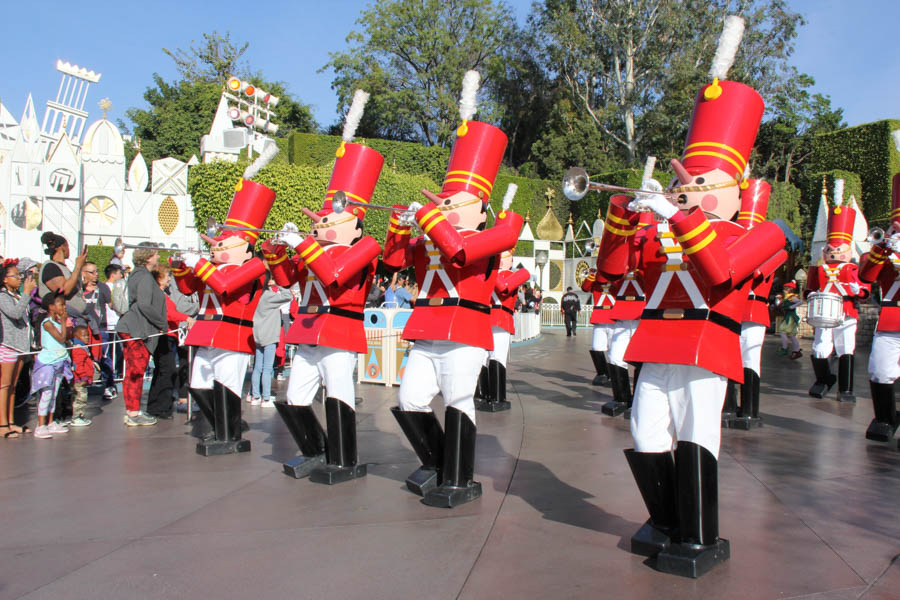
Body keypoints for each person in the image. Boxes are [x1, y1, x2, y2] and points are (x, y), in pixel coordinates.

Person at [597, 20, 786, 576]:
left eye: (706, 184)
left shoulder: (760, 232)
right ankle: (667, 518)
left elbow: (720, 271)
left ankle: (699, 534)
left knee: (698, 435)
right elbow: (612, 272)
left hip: (709, 343)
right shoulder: (667, 228)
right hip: (657, 344)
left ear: (737, 185)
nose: (694, 191)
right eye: (688, 183)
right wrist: (621, 219)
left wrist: (679, 215)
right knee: (646, 433)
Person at [383, 72, 522, 507]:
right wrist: (397, 221)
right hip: (428, 327)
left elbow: (459, 252)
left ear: (482, 210)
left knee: (460, 401)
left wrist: (428, 218)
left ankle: (459, 478)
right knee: (410, 401)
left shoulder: (496, 233)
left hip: (466, 329)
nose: (445, 210)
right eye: (443, 203)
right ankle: (442, 463)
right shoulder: (432, 234)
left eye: (453, 204)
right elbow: (392, 261)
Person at [264, 99, 381, 483]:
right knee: (295, 398)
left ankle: (344, 457)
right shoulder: (312, 248)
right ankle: (316, 450)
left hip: (340, 329)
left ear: (355, 224)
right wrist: (276, 252)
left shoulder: (365, 247)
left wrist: (302, 245)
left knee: (339, 395)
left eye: (332, 216)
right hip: (309, 330)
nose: (323, 221)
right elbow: (286, 281)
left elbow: (333, 276)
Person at [173, 147, 279, 456]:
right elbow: (188, 288)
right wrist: (183, 265)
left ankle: (229, 434)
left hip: (232, 334)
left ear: (246, 246)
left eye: (224, 243)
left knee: (227, 386)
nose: (217, 248)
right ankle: (221, 427)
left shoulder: (255, 266)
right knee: (198, 385)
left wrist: (201, 264)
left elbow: (225, 285)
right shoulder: (212, 266)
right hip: (207, 333)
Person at [804, 180, 869, 402]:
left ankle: (846, 389)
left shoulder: (853, 267)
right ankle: (824, 379)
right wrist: (811, 295)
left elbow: (864, 289)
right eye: (830, 249)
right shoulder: (818, 268)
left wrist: (855, 289)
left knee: (845, 347)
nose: (833, 252)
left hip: (847, 312)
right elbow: (810, 288)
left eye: (838, 249)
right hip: (824, 312)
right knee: (820, 348)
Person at [857, 173, 900, 442]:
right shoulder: (885, 249)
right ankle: (885, 418)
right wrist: (883, 249)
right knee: (880, 370)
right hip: (891, 318)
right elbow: (866, 276)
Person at [115, 244, 165, 427]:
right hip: (137, 330)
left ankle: (132, 410)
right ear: (149, 256)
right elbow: (144, 305)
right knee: (135, 373)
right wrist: (161, 323)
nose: (159, 256)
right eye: (156, 253)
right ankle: (133, 412)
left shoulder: (138, 275)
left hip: (134, 328)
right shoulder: (143, 277)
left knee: (133, 373)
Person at [146, 264, 190, 419]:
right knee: (167, 370)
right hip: (163, 336)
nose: (169, 280)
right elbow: (169, 313)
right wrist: (186, 318)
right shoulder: (158, 295)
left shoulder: (161, 294)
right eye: (167, 277)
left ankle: (156, 406)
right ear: (159, 278)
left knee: (162, 370)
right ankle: (161, 406)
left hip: (169, 336)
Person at [0, 259, 37, 437]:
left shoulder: (15, 295)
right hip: (8, 345)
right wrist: (27, 294)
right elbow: (15, 314)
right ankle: (2, 425)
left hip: (20, 347)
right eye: (15, 276)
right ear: (5, 279)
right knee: (4, 385)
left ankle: (11, 421)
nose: (20, 279)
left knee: (13, 386)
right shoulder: (3, 296)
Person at [30, 293, 73, 439]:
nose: (64, 307)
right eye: (61, 304)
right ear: (51, 307)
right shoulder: (47, 323)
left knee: (55, 393)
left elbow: (65, 338)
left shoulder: (56, 322)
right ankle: (40, 425)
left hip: (59, 360)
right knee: (47, 393)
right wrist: (63, 322)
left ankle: (50, 422)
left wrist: (63, 323)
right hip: (48, 362)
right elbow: (61, 337)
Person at [249, 273, 292, 407]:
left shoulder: (255, 297)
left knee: (257, 368)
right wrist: (280, 284)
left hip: (257, 334)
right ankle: (266, 398)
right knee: (267, 368)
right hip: (270, 335)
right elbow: (287, 296)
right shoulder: (268, 296)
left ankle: (255, 396)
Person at [82, 262, 116, 400]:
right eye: (92, 272)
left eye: (96, 271)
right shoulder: (78, 288)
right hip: (82, 328)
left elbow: (112, 305)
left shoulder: (103, 287)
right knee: (81, 358)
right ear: (83, 273)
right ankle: (80, 387)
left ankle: (109, 386)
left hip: (100, 328)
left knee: (103, 358)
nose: (96, 274)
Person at [38, 231, 87, 319]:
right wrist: (78, 266)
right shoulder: (50, 266)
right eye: (68, 246)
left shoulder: (63, 268)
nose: (69, 249)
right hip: (61, 320)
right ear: (62, 247)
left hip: (75, 318)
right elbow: (64, 290)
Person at [69, 325, 95, 427]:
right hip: (79, 379)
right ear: (76, 336)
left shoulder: (83, 348)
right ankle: (76, 417)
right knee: (80, 399)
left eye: (87, 335)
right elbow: (78, 365)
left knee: (81, 398)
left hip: (82, 379)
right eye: (84, 336)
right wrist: (84, 377)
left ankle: (79, 416)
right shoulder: (79, 350)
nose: (87, 337)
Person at [775, 282, 802, 358]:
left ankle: (785, 348)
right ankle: (796, 350)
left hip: (790, 317)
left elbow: (800, 302)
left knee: (782, 331)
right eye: (784, 289)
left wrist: (792, 307)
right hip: (787, 316)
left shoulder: (792, 297)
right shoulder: (786, 297)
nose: (784, 290)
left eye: (786, 289)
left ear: (789, 289)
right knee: (791, 335)